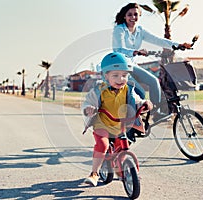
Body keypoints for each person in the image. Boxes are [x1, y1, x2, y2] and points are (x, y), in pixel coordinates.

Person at [82, 52, 153, 187]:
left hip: (120, 124)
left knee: (123, 146)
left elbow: (136, 100)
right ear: (105, 76)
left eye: (124, 75)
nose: (120, 79)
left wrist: (144, 103)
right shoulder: (99, 90)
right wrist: (88, 109)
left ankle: (123, 170)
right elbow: (88, 102)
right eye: (115, 75)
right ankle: (95, 173)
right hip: (102, 124)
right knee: (102, 145)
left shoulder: (128, 89)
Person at [112, 3, 192, 118]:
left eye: (136, 14)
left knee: (154, 82)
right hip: (120, 67)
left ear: (139, 16)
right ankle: (132, 121)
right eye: (129, 15)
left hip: (132, 65)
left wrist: (178, 45)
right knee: (139, 91)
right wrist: (135, 52)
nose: (133, 17)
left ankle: (155, 112)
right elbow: (118, 49)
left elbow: (158, 40)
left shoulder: (140, 30)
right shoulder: (119, 30)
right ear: (124, 16)